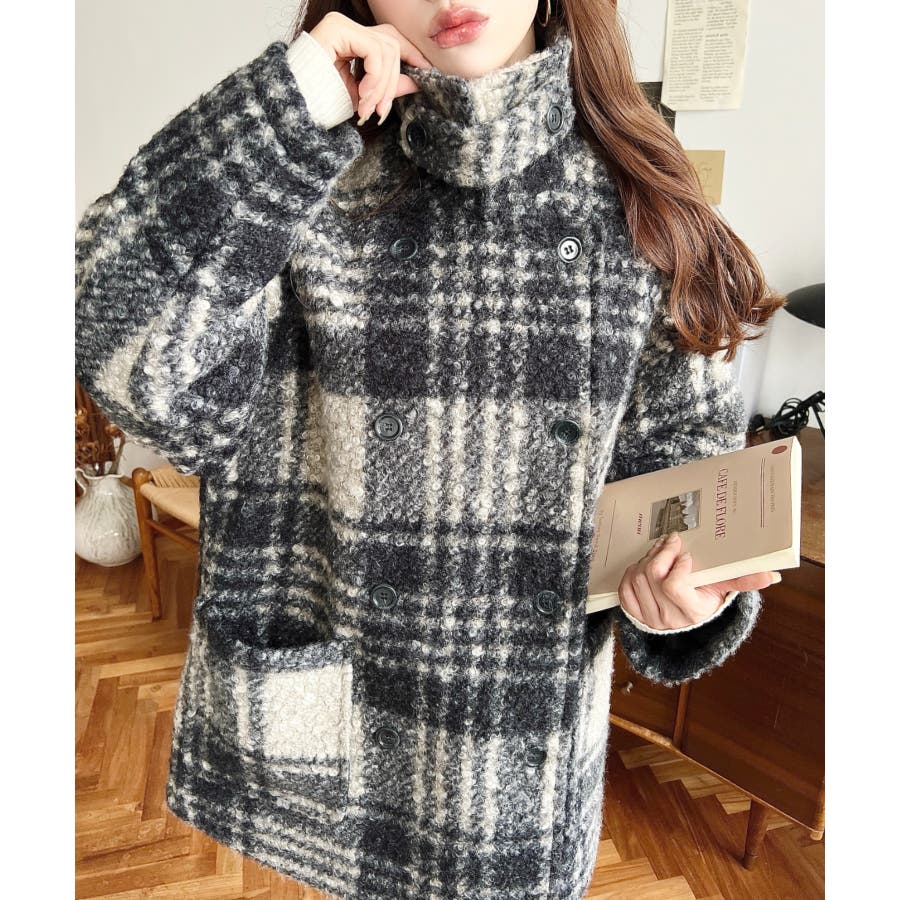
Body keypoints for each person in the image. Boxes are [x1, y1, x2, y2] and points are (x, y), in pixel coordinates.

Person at [74, 2, 785, 898]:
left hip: (521, 769)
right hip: (336, 735)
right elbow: (129, 359)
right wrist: (290, 101)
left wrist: (678, 590)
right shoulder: (301, 174)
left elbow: (676, 479)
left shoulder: (647, 198)